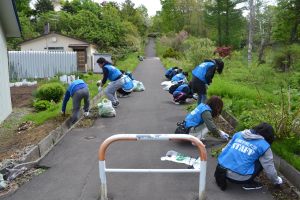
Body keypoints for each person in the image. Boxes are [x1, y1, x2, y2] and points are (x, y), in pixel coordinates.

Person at [214, 122, 283, 191]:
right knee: (263, 161)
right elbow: (269, 168)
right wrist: (277, 181)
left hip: (220, 170)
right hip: (239, 178)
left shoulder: (239, 134)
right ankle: (249, 182)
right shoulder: (264, 146)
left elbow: (224, 150)